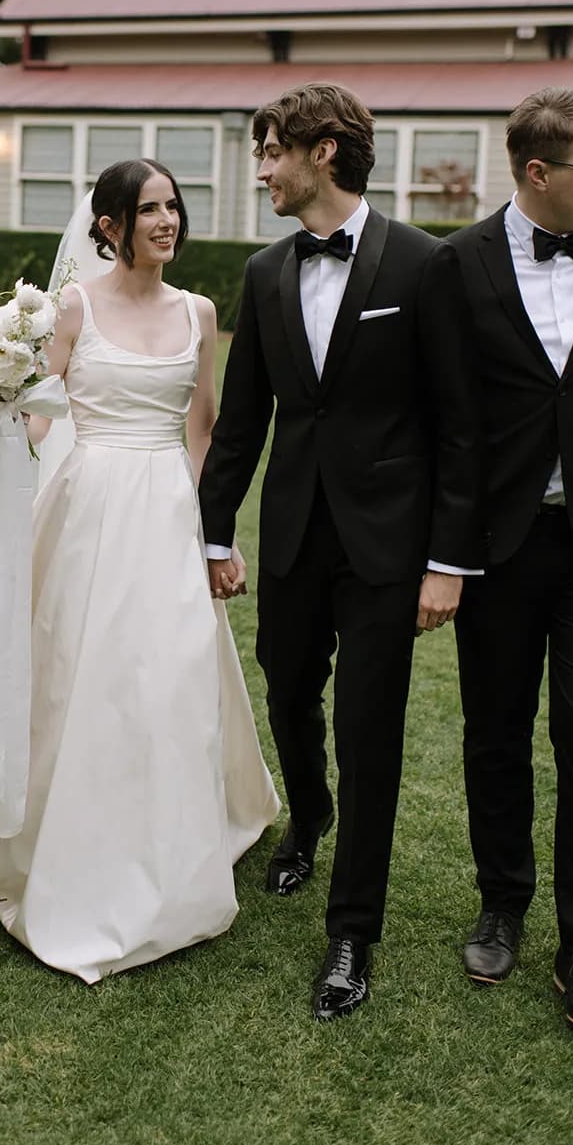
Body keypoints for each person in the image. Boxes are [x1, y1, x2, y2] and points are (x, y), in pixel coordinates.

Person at [198, 84, 483, 1020]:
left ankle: (351, 930)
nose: (262, 169)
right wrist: (211, 530)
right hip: (290, 536)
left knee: (370, 729)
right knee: (286, 687)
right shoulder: (265, 271)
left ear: (323, 151)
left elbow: (458, 425)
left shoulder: (423, 264)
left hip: (386, 547)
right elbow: (241, 424)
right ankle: (307, 816)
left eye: (271, 151)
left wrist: (446, 561)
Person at [0, 160, 279, 983]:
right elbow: (32, 408)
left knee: (169, 675)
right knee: (80, 675)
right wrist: (42, 453)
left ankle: (170, 848)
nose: (166, 221)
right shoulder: (72, 306)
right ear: (108, 225)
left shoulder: (199, 311)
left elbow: (204, 433)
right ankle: (62, 845)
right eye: (148, 210)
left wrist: (218, 537)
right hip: (88, 508)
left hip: (169, 512)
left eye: (173, 207)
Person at [450, 87, 573, 1038]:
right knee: (494, 731)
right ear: (539, 173)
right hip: (497, 546)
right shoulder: (456, 266)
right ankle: (502, 901)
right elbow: (439, 415)